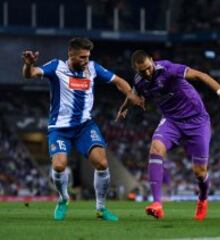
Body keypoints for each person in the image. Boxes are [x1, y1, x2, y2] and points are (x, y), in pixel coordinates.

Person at [22, 37, 143, 221]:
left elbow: (118, 81)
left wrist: (130, 94)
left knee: (102, 163)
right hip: (59, 127)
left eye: (87, 57)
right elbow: (30, 74)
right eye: (81, 57)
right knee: (59, 165)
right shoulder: (56, 67)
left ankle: (101, 209)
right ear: (70, 53)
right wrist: (29, 65)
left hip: (85, 126)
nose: (85, 61)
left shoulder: (93, 68)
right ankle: (63, 199)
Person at [117, 50, 220, 220]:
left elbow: (200, 75)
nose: (147, 73)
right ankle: (157, 204)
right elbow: (133, 94)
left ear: (152, 61)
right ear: (136, 70)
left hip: (197, 121)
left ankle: (203, 199)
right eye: (142, 71)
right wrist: (125, 107)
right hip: (171, 121)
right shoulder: (139, 80)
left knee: (200, 172)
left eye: (148, 68)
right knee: (156, 148)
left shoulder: (168, 68)